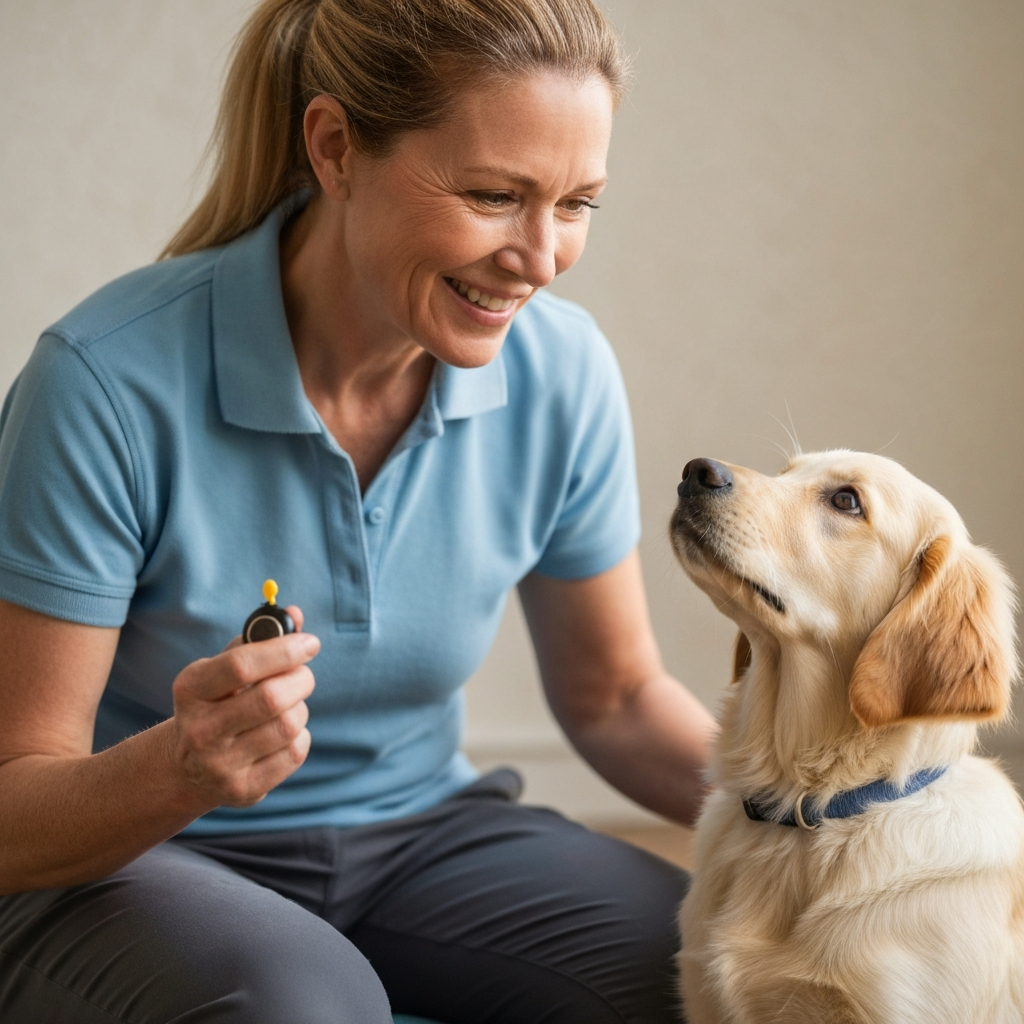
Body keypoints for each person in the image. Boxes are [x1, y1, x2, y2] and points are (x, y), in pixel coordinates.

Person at [0, 0, 717, 1021]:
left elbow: (616, 699)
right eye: (493, 195)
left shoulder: (563, 374)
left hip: (422, 833)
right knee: (301, 1002)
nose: (540, 256)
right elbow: (14, 802)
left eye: (575, 204)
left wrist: (819, 811)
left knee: (699, 966)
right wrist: (178, 767)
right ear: (335, 148)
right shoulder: (104, 382)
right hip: (143, 856)